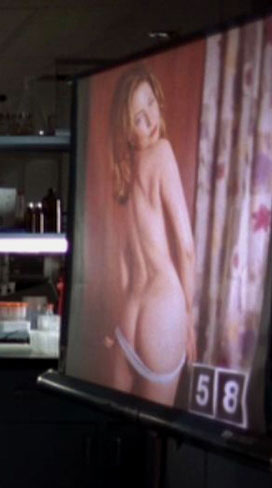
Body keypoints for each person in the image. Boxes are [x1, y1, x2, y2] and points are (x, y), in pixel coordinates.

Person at [105, 66, 196, 405]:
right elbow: (186, 248)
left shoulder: (125, 173)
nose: (150, 118)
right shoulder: (162, 152)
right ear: (127, 132)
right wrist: (189, 320)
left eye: (151, 103)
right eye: (138, 118)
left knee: (118, 423)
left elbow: (123, 261)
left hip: (129, 315)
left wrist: (117, 320)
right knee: (155, 432)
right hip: (163, 311)